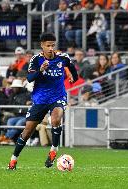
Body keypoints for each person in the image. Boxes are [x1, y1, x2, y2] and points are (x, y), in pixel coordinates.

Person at [7, 32, 78, 170]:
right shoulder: (36, 60)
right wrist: (40, 70)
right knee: (27, 131)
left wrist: (73, 78)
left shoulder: (63, 57)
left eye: (53, 45)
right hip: (40, 99)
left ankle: (53, 151)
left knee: (56, 119)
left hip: (58, 96)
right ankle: (13, 160)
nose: (51, 48)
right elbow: (29, 78)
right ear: (42, 46)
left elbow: (72, 69)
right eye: (48, 45)